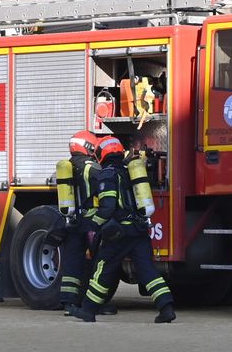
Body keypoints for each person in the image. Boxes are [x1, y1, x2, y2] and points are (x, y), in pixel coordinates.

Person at [70, 135, 175, 323]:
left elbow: (108, 206)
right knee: (147, 270)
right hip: (139, 230)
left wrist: (94, 224)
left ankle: (88, 309)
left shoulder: (108, 174)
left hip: (119, 233)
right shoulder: (130, 171)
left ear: (101, 154)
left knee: (102, 269)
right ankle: (166, 307)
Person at [54, 131, 100, 313]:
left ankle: (68, 302)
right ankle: (95, 302)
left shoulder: (67, 167)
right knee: (98, 261)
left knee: (72, 261)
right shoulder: (93, 168)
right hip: (90, 222)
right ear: (88, 147)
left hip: (72, 221)